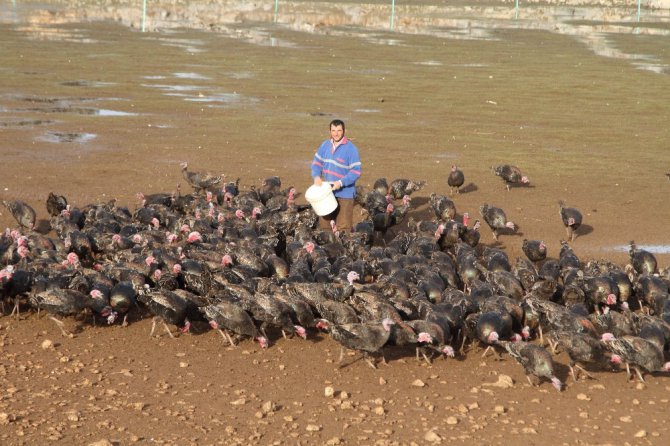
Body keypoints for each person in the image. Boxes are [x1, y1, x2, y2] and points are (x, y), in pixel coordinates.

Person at [310, 119, 362, 233]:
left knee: (343, 227)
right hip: (327, 192)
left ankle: (343, 250)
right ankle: (328, 249)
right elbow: (317, 163)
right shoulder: (325, 146)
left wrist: (341, 183)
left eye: (339, 130)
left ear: (344, 131)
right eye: (333, 130)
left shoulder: (351, 149)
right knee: (325, 226)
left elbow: (356, 172)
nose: (336, 133)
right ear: (329, 131)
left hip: (345, 194)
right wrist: (316, 176)